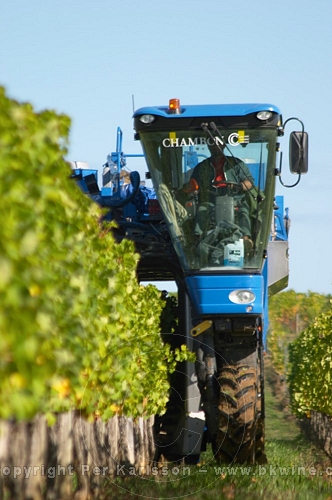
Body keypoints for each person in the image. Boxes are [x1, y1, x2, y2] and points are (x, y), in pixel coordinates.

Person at [190, 141, 254, 252]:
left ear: (224, 145)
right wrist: (192, 188)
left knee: (244, 210)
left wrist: (239, 185)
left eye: (218, 143)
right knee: (202, 210)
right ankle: (196, 240)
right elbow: (192, 185)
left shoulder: (236, 164)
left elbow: (249, 183)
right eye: (212, 143)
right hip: (211, 201)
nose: (215, 146)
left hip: (235, 201)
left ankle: (246, 239)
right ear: (208, 145)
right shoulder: (202, 167)